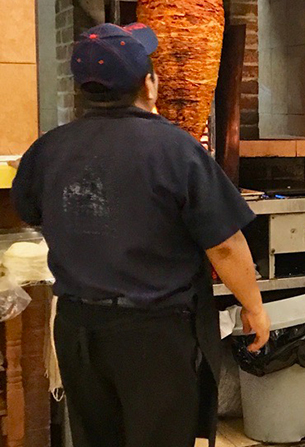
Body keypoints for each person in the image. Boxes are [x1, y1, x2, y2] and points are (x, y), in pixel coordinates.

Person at [11, 23, 270, 447]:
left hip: (78, 330)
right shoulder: (176, 149)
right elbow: (223, 244)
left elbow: (30, 211)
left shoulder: (48, 149)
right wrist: (255, 308)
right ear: (149, 85)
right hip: (154, 336)